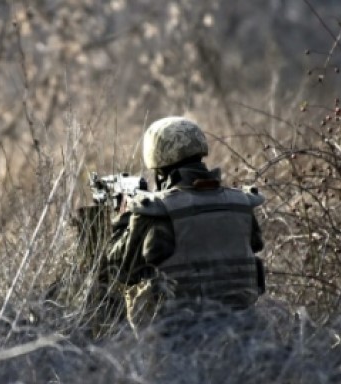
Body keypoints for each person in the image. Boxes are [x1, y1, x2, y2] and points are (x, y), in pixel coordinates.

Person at [104, 116, 266, 335]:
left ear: (158, 166)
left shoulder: (155, 210)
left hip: (178, 339)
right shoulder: (241, 203)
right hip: (246, 331)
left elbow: (120, 271)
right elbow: (253, 245)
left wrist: (123, 218)